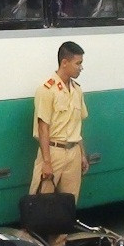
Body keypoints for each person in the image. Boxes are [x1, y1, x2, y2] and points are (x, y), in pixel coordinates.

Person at [29, 41, 89, 202]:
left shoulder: (76, 89)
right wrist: (47, 162)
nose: (81, 68)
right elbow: (43, 127)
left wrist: (82, 154)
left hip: (73, 151)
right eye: (78, 63)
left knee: (69, 203)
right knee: (42, 202)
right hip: (53, 151)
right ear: (64, 62)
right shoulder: (47, 89)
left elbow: (78, 126)